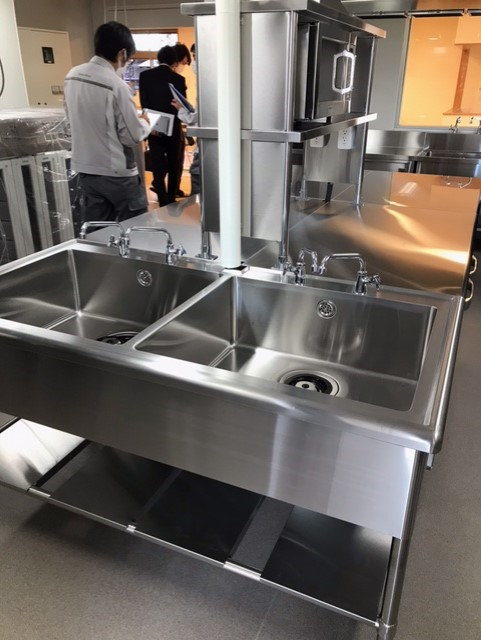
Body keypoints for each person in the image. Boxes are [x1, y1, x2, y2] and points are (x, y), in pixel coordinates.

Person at [64, 21, 151, 229]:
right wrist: (144, 123)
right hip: (117, 174)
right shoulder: (115, 85)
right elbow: (131, 136)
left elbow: (69, 120)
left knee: (98, 232)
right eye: (128, 58)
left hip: (86, 170)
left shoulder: (72, 76)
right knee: (136, 229)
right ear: (122, 53)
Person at [138, 45, 187, 207]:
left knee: (157, 166)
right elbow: (181, 106)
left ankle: (162, 201)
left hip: (154, 127)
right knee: (174, 166)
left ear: (159, 59)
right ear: (174, 62)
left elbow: (144, 103)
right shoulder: (179, 79)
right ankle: (171, 200)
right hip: (173, 128)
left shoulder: (145, 76)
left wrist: (151, 125)